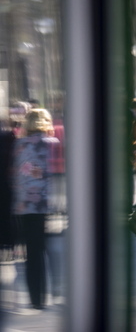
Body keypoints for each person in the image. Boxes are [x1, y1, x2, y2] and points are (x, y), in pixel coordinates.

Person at [13, 108, 60, 309]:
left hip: (25, 205)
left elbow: (14, 175)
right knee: (51, 250)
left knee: (32, 253)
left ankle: (36, 299)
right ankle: (56, 292)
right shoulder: (53, 144)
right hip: (48, 203)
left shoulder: (19, 145)